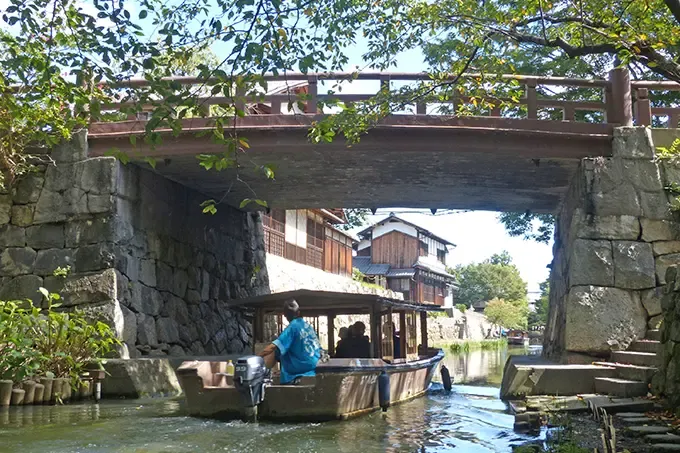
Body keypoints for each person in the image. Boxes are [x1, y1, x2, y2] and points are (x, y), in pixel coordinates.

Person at [257, 298, 321, 384]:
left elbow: (273, 347)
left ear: (285, 315)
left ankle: (260, 374)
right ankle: (282, 370)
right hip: (314, 367)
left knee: (277, 350)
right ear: (298, 312)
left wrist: (257, 357)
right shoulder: (308, 326)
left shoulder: (293, 327)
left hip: (301, 369)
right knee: (285, 349)